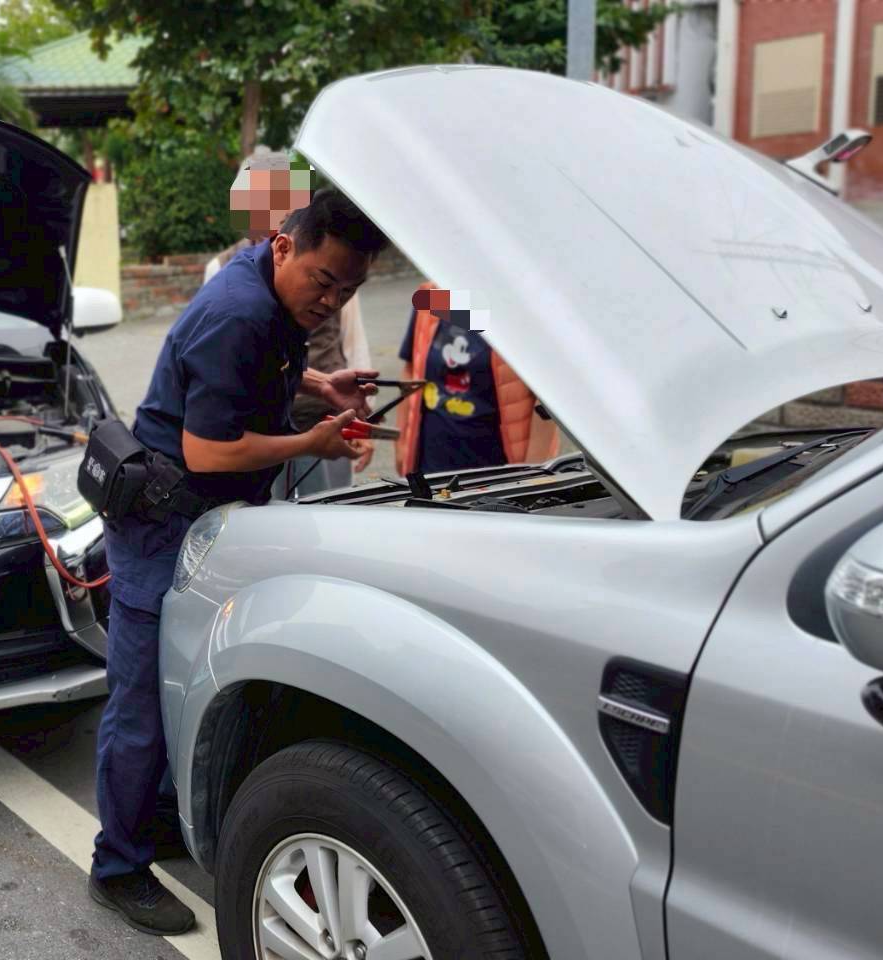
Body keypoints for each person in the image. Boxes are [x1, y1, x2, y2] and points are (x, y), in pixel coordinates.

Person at [88, 188, 386, 936]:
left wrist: (320, 386)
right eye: (324, 281)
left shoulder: (268, 290)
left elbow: (261, 368)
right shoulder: (240, 312)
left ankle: (154, 817)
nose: (331, 301)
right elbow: (208, 450)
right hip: (161, 524)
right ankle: (116, 865)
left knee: (187, 676)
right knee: (140, 703)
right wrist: (311, 442)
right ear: (284, 245)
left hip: (208, 521)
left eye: (348, 290)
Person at [205, 150, 376, 496]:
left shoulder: (332, 265)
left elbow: (354, 347)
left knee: (328, 509)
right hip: (255, 432)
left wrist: (363, 423)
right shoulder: (221, 270)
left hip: (324, 421)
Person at [395, 280, 558, 475]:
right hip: (432, 464)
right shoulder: (432, 296)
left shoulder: (519, 306)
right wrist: (401, 443)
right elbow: (411, 369)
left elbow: (547, 396)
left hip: (500, 469)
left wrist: (535, 471)